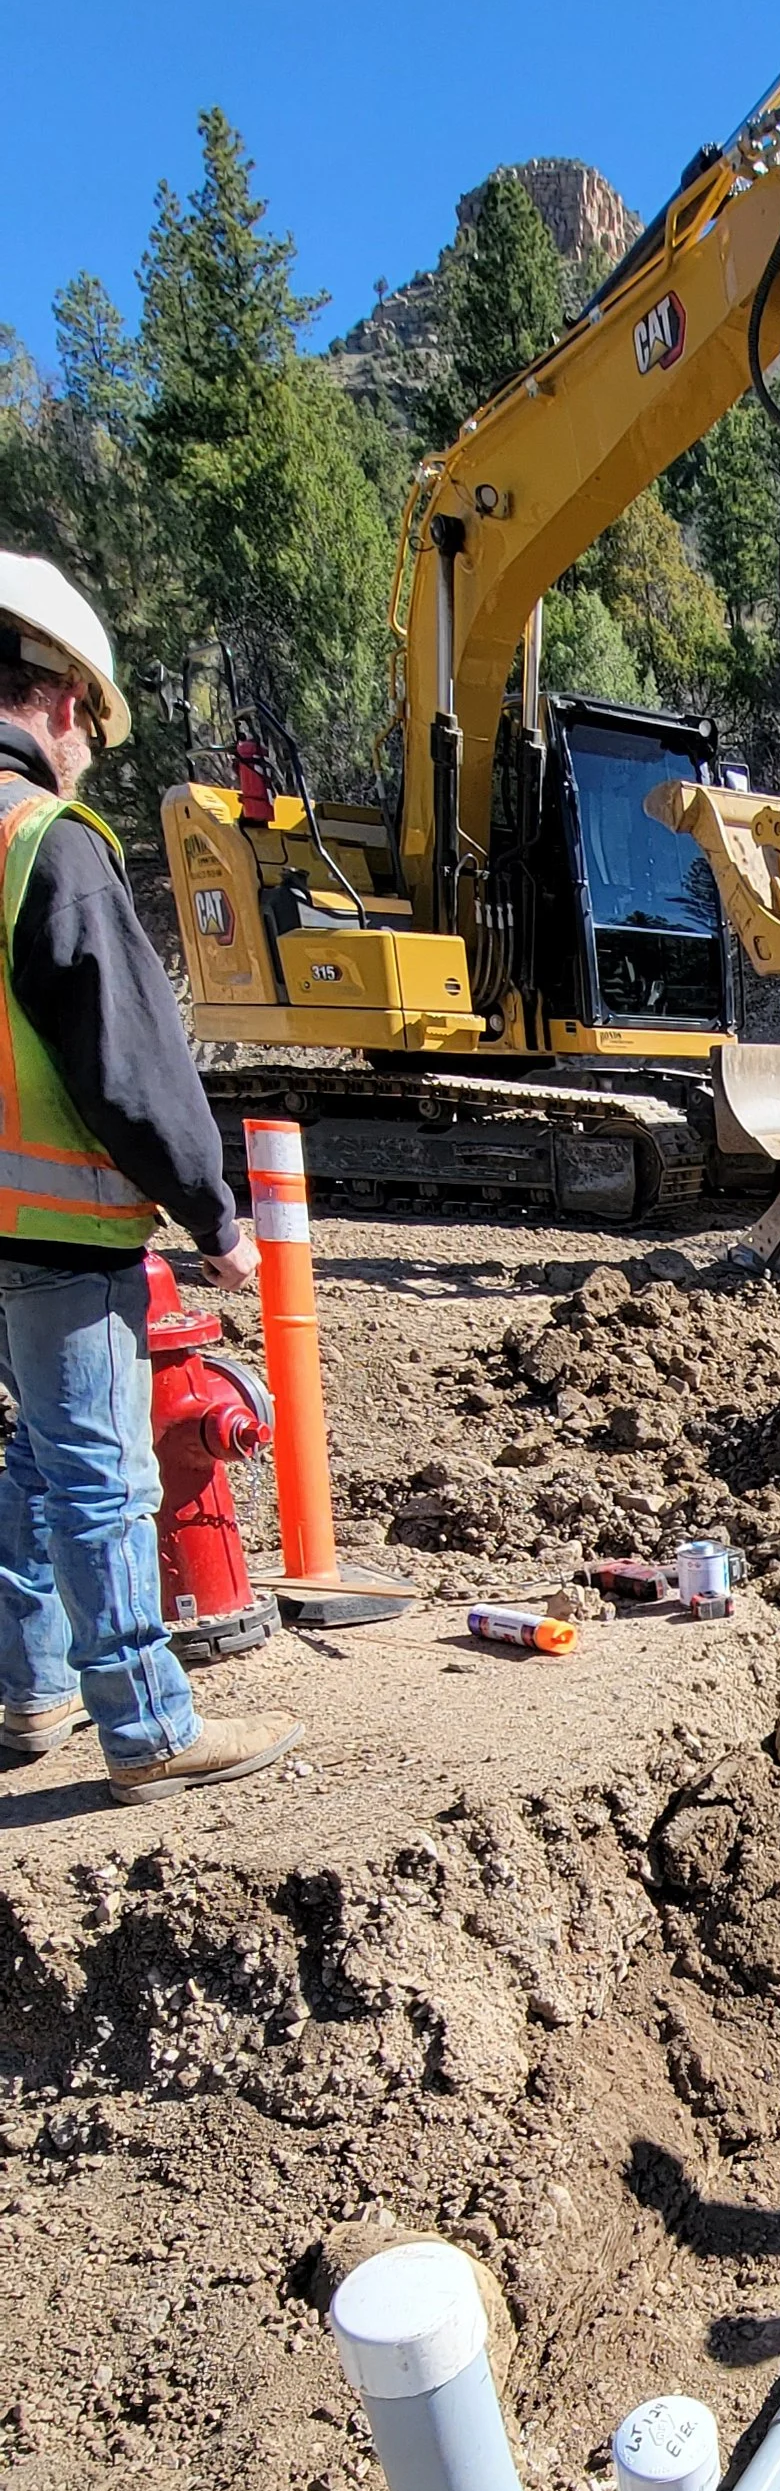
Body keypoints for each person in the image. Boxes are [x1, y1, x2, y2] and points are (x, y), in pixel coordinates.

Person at [0, 553, 303, 1795]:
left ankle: (31, 1687)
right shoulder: (44, 841)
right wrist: (213, 1210)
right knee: (100, 1469)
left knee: (32, 1454)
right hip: (52, 1219)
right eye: (90, 728)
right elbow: (126, 1053)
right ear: (64, 700)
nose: (88, 756)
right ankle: (148, 1725)